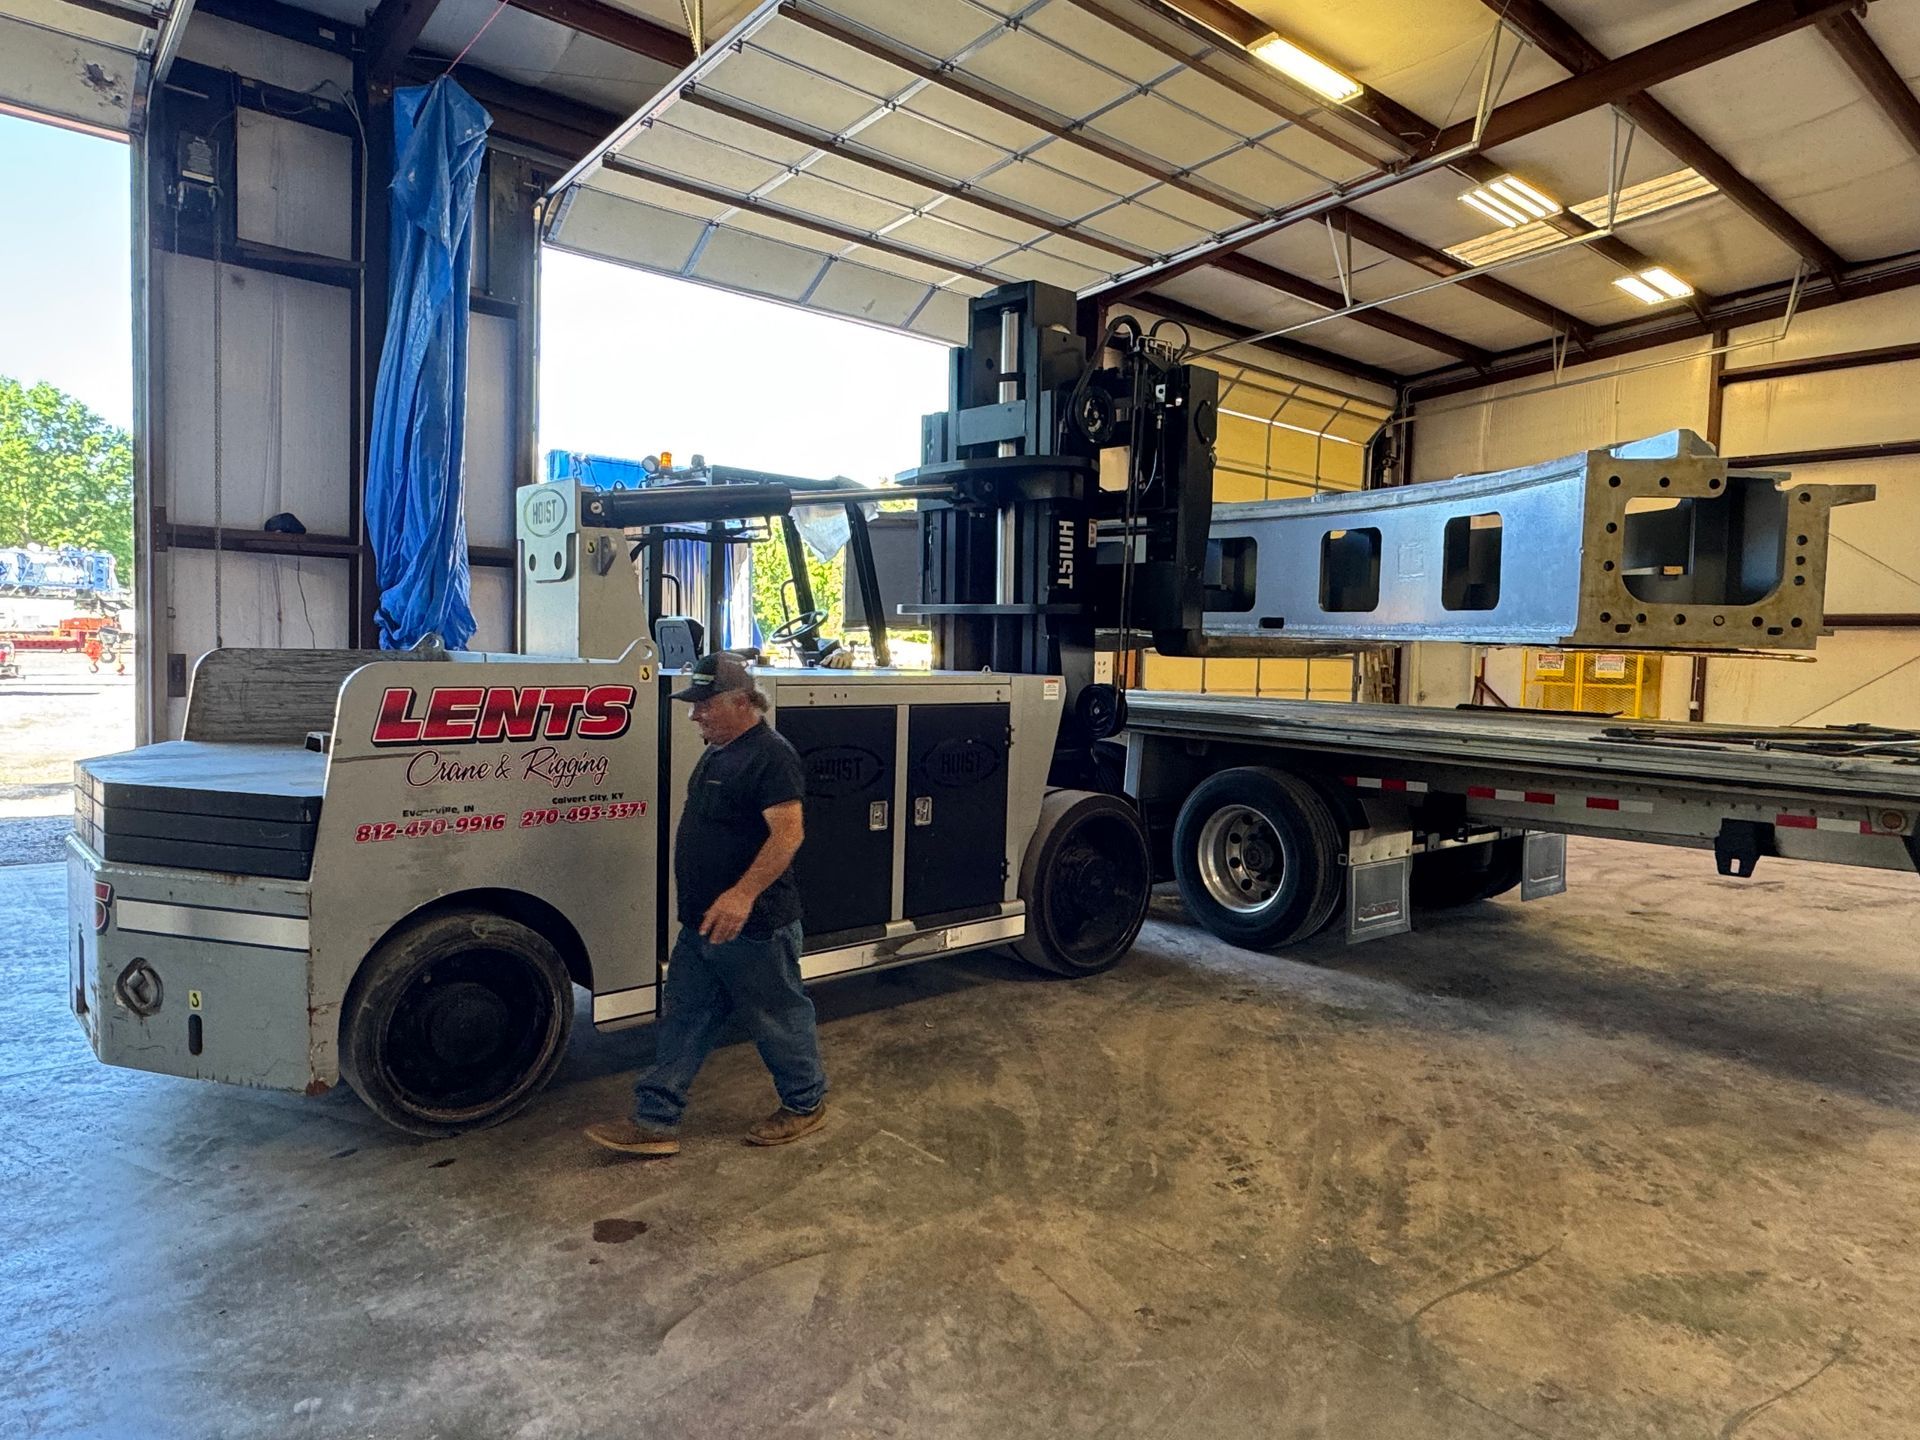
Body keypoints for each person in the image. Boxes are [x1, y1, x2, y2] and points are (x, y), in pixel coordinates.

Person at [586, 652, 828, 1157]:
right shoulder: (718, 751)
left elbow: (788, 835)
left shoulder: (771, 755)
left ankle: (805, 1105)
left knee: (777, 1016)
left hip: (755, 925)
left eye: (705, 705)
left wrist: (742, 895)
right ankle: (655, 1121)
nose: (695, 715)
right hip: (702, 924)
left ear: (742, 702)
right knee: (686, 1016)